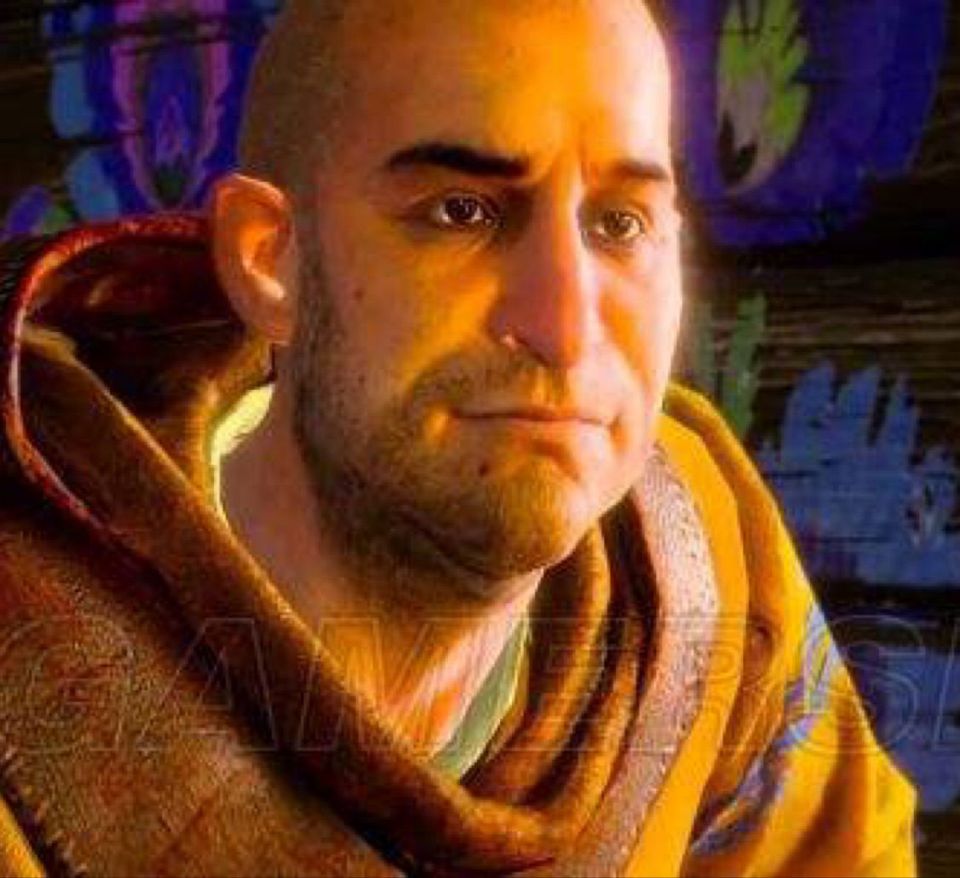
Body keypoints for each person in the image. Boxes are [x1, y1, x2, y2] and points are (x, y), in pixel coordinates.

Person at [0, 0, 916, 875]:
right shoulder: (28, 623)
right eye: (461, 212)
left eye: (620, 223)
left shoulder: (703, 552)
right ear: (270, 258)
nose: (565, 327)